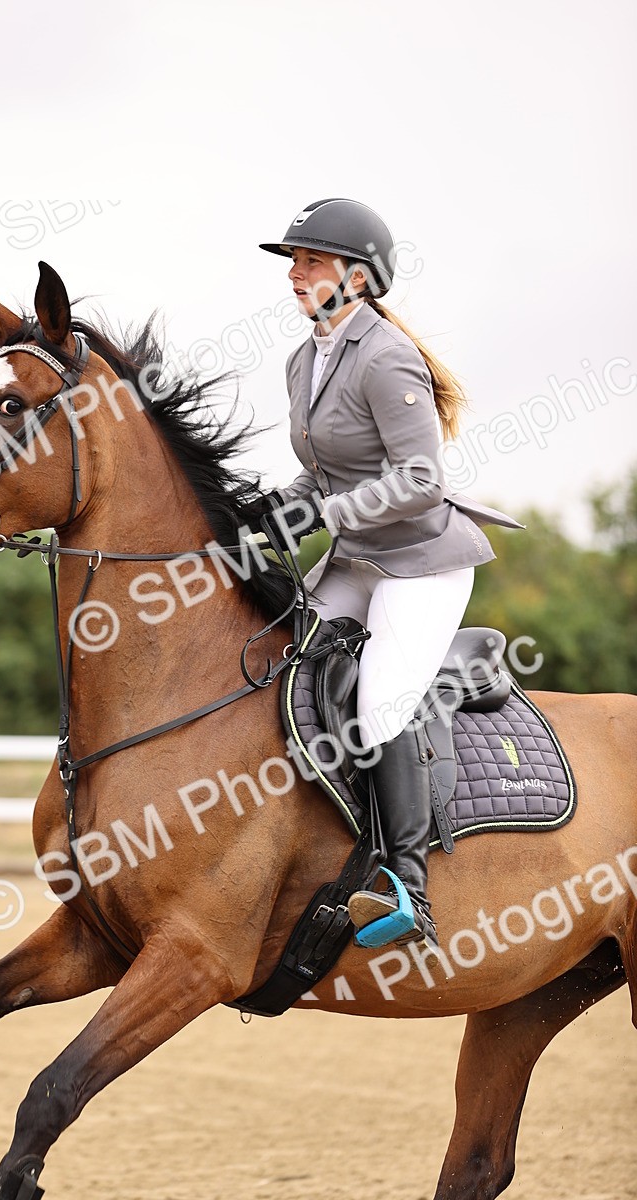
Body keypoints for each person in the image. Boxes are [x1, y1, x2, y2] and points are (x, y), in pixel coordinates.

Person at [258, 198, 522, 952]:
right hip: (357, 560)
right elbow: (322, 474)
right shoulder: (304, 360)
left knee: (378, 706)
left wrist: (327, 515)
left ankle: (407, 884)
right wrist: (271, 509)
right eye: (294, 261)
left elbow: (419, 480)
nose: (296, 273)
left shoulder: (385, 357)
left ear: (357, 277)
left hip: (420, 565)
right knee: (280, 661)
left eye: (311, 260)